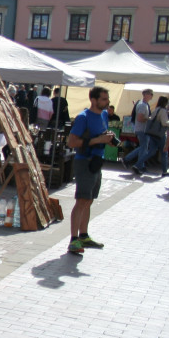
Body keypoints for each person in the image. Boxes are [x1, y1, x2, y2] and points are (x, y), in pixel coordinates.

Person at [66, 86, 114, 255]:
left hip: (96, 162)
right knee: (81, 200)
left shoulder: (104, 115)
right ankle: (73, 240)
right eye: (103, 99)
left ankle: (83, 235)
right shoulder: (83, 117)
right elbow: (71, 142)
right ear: (93, 100)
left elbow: (101, 133)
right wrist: (97, 140)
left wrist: (107, 139)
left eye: (107, 99)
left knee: (89, 200)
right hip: (84, 162)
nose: (107, 102)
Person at [131, 96, 169, 177]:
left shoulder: (155, 109)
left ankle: (138, 164)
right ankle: (165, 171)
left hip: (152, 133)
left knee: (151, 151)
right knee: (164, 152)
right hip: (160, 134)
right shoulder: (162, 111)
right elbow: (164, 122)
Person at [123, 89, 153, 170]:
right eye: (151, 94)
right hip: (142, 129)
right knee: (143, 147)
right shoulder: (143, 105)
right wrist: (149, 119)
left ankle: (140, 165)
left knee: (143, 147)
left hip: (141, 129)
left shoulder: (143, 104)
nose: (152, 96)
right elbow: (140, 118)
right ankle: (129, 159)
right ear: (146, 94)